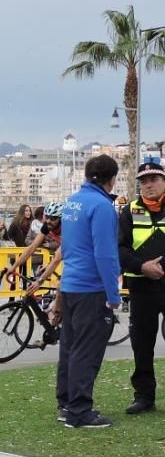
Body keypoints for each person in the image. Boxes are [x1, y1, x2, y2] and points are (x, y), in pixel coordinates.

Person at [56, 154, 121, 429]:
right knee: (86, 350)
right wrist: (113, 295)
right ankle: (80, 411)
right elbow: (105, 254)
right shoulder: (103, 206)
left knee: (69, 348)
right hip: (91, 288)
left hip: (70, 284)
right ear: (112, 179)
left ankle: (66, 404)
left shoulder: (72, 202)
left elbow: (69, 247)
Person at [117, 160, 165, 415]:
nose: (149, 185)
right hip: (142, 286)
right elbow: (120, 248)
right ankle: (144, 396)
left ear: (163, 181)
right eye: (144, 181)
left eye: (154, 179)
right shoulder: (130, 211)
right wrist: (142, 266)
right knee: (142, 343)